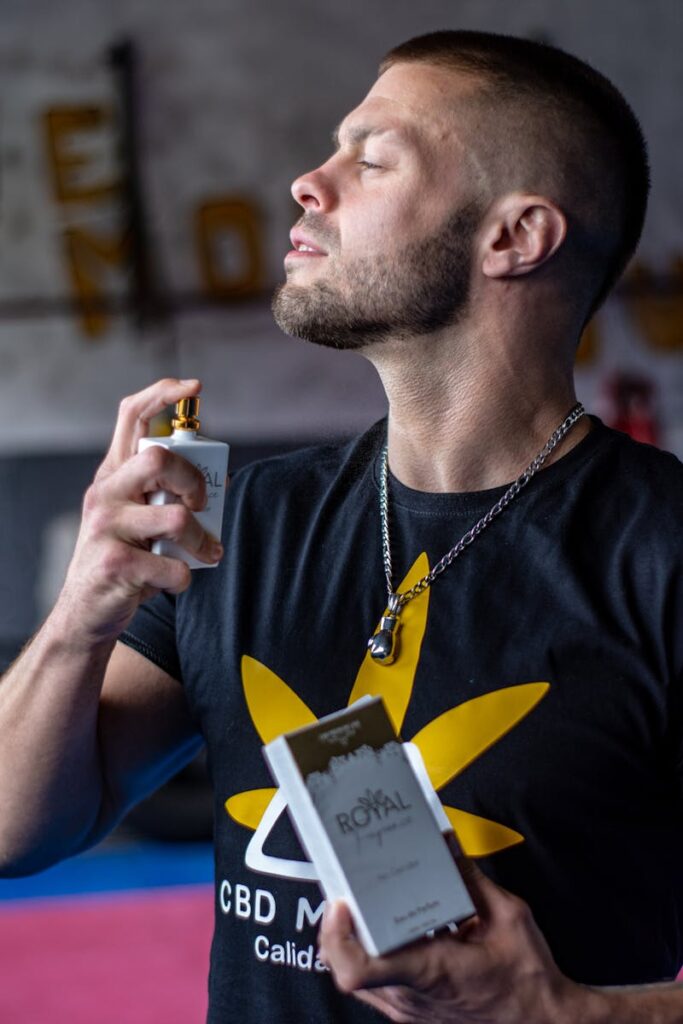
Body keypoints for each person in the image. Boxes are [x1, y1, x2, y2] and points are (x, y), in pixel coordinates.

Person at [1, 28, 682, 1024]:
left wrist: (558, 1010)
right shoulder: (249, 521)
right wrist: (83, 612)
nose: (306, 185)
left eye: (368, 159)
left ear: (513, 237)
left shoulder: (658, 553)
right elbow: (17, 830)